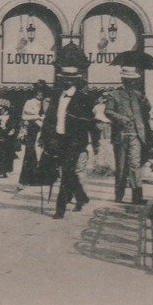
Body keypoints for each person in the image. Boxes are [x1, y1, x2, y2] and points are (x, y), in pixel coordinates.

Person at [44, 45, 97, 220]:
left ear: (75, 80)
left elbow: (88, 123)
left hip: (74, 142)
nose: (66, 81)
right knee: (66, 172)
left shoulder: (84, 99)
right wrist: (45, 137)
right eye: (64, 78)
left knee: (66, 172)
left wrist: (90, 143)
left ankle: (60, 209)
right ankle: (81, 196)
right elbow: (50, 118)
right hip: (58, 139)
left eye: (70, 79)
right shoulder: (56, 95)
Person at [104, 61, 152, 205]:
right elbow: (108, 111)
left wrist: (144, 100)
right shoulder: (114, 95)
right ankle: (119, 195)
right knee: (121, 166)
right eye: (129, 81)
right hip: (120, 135)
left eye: (133, 81)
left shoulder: (138, 95)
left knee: (134, 164)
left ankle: (137, 196)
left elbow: (147, 111)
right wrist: (121, 119)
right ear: (123, 80)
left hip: (136, 135)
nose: (131, 83)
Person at [16, 80, 50, 189]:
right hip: (33, 130)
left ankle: (42, 179)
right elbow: (24, 116)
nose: (40, 93)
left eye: (42, 91)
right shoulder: (29, 102)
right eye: (38, 91)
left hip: (44, 130)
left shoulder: (48, 102)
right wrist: (38, 117)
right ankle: (27, 179)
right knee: (30, 153)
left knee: (44, 153)